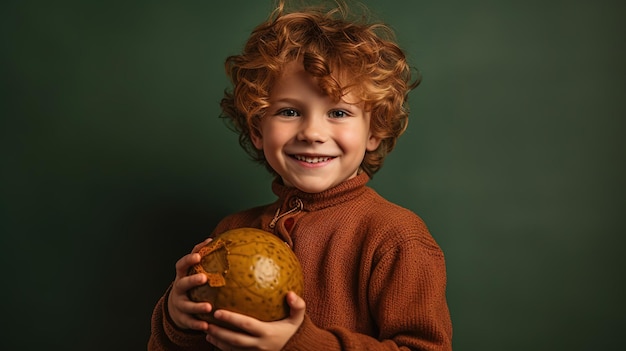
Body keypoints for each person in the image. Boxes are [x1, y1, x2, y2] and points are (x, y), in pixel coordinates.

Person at [148, 0, 452, 350]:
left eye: (338, 112)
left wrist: (300, 344)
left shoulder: (396, 238)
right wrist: (178, 320)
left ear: (374, 132)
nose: (312, 132)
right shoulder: (231, 233)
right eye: (290, 111)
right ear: (258, 129)